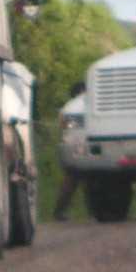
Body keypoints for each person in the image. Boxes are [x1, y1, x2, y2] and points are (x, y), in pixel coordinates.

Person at [51, 81, 87, 221]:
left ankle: (59, 211)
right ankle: (93, 211)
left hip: (71, 145)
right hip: (84, 144)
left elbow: (63, 125)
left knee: (71, 179)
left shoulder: (68, 106)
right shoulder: (87, 101)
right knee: (90, 179)